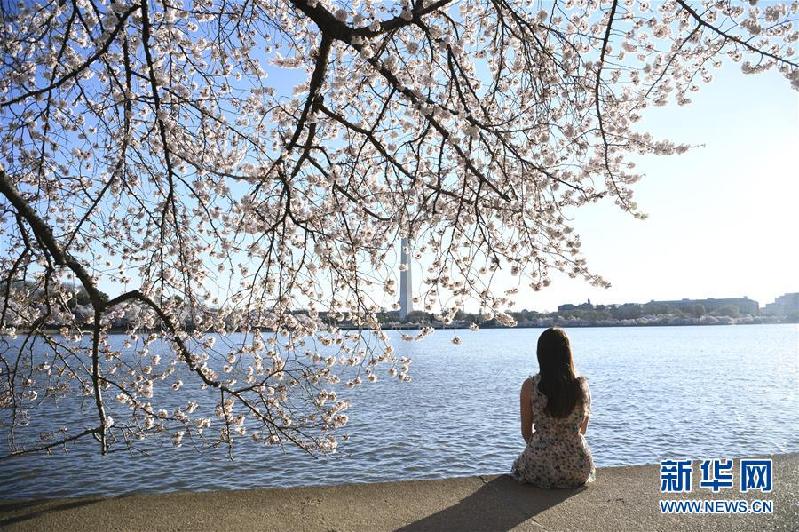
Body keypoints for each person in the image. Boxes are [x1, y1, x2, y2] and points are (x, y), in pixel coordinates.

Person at [511, 328, 595, 488]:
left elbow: (526, 432)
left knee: (516, 467)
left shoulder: (530, 385)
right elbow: (582, 429)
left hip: (539, 466)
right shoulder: (581, 385)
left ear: (541, 354)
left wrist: (543, 447)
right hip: (577, 467)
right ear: (567, 353)